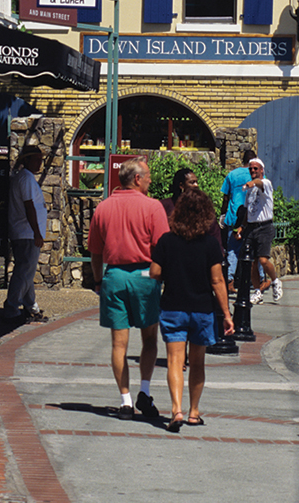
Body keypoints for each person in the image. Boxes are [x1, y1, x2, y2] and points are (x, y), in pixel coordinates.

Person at [87, 157, 169, 420]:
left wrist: (99, 280)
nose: (150, 180)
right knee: (149, 339)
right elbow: (162, 248)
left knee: (118, 344)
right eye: (147, 176)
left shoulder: (103, 208)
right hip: (145, 275)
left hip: (115, 277)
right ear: (137, 179)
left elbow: (95, 252)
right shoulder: (153, 207)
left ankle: (125, 401)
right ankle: (144, 390)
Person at [150, 189, 234, 431]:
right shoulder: (210, 244)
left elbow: (155, 273)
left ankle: (176, 410)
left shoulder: (167, 240)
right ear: (205, 214)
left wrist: (170, 272)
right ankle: (194, 412)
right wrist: (226, 314)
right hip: (202, 309)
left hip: (173, 307)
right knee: (197, 363)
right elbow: (218, 281)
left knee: (175, 361)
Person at [3, 144, 48, 324]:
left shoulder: (25, 178)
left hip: (26, 232)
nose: (39, 163)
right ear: (26, 160)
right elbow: (29, 207)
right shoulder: (26, 179)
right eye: (36, 159)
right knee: (23, 272)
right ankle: (12, 307)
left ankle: (31, 305)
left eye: (41, 160)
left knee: (27, 271)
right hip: (26, 233)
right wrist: (37, 232)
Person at [243, 158, 283, 304]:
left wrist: (252, 183)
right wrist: (242, 226)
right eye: (251, 169)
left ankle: (275, 281)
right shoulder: (250, 191)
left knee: (263, 260)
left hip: (264, 227)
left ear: (261, 170)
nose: (253, 171)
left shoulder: (266, 183)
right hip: (252, 227)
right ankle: (257, 291)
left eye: (255, 169)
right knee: (253, 262)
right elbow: (248, 210)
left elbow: (259, 183)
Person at [219, 149, 257, 292]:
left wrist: (223, 215)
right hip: (252, 218)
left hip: (234, 216)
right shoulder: (257, 175)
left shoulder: (232, 175)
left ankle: (230, 280)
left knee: (233, 250)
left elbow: (226, 198)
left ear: (243, 160)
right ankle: (257, 280)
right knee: (254, 249)